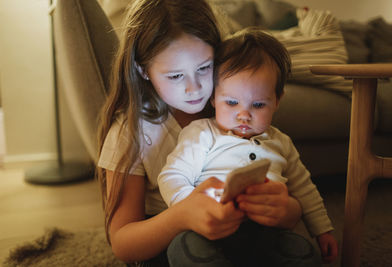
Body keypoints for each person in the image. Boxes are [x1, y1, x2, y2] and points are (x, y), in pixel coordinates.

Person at [97, 0, 310, 265]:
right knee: (189, 252)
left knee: (299, 251)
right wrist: (182, 216)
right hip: (173, 242)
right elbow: (123, 243)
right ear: (143, 70)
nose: (194, 88)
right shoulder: (130, 132)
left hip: (244, 232)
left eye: (204, 68)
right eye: (175, 76)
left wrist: (286, 210)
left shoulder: (235, 107)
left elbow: (291, 209)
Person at [158, 27, 338, 266]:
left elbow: (304, 188)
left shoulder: (281, 142)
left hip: (267, 233)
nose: (244, 115)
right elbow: (172, 176)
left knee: (303, 253)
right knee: (185, 249)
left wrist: (322, 230)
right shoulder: (202, 133)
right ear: (214, 98)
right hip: (211, 230)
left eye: (258, 105)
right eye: (231, 102)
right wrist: (192, 207)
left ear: (277, 101)